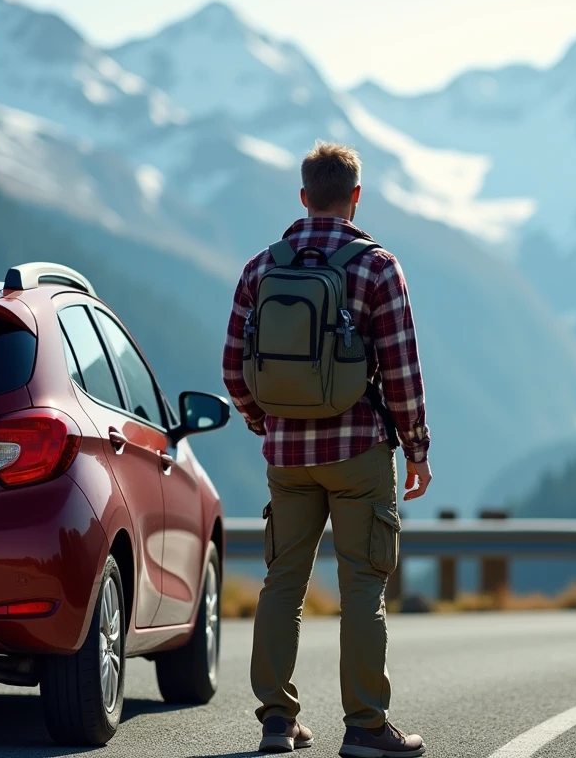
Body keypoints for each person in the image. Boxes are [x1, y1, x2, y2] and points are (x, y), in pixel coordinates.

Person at [223, 141, 431, 757]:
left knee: (282, 582)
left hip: (287, 457)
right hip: (359, 450)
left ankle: (276, 723)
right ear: (356, 197)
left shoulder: (262, 266)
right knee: (362, 586)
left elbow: (235, 368)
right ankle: (366, 727)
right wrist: (416, 448)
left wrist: (266, 421)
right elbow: (401, 371)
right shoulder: (376, 266)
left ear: (304, 195)